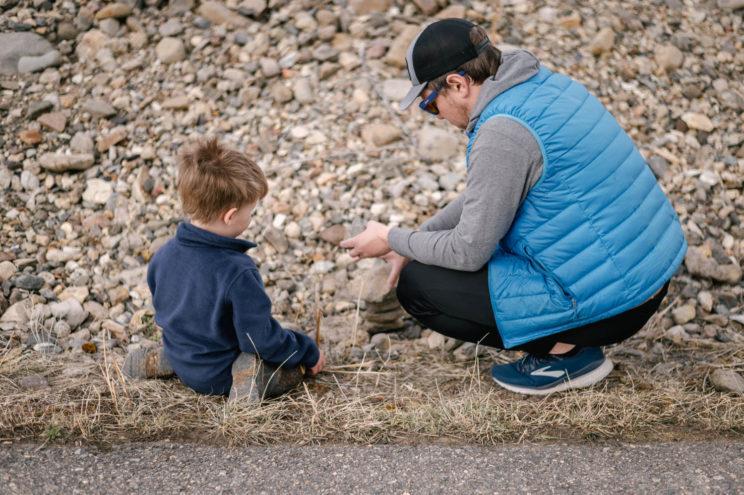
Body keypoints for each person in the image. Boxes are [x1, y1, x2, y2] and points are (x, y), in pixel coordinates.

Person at [341, 18, 686, 395]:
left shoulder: (502, 133)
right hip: (648, 277)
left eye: (429, 103)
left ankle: (565, 357)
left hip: (619, 304)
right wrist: (414, 240)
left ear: (457, 84)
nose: (435, 115)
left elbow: (468, 250)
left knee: (419, 285)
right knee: (437, 254)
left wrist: (392, 237)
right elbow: (488, 195)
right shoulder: (540, 86)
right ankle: (569, 342)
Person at [124, 138, 325, 402]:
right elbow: (259, 340)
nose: (251, 218)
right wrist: (307, 351)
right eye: (250, 211)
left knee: (196, 338)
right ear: (230, 216)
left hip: (185, 356)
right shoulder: (238, 272)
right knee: (288, 368)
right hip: (221, 374)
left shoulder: (164, 255)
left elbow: (167, 309)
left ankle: (169, 360)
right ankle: (245, 381)